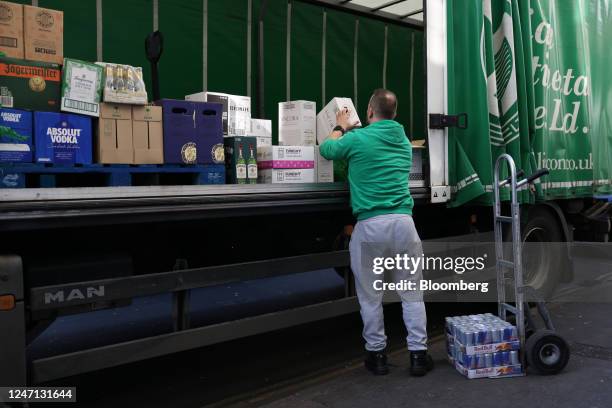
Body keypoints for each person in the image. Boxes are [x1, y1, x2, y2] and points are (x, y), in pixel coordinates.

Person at [319, 89, 433, 377]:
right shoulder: (405, 143)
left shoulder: (356, 139)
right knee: (412, 294)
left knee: (371, 296)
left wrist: (340, 126)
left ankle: (377, 356)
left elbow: (328, 150)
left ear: (369, 112)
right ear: (394, 113)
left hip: (370, 226)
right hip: (404, 224)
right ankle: (418, 356)